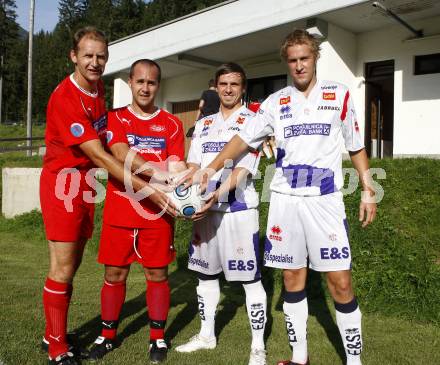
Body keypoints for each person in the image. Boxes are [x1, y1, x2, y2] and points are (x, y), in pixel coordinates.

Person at [185, 30, 376, 365]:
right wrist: (210, 167)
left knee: (340, 283)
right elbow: (243, 140)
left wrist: (368, 189)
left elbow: (355, 145)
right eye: (292, 60)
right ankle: (299, 358)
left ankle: (354, 361)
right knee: (291, 278)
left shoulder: (339, 94)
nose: (299, 65)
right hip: (285, 201)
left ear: (315, 57)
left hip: (324, 201)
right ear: (287, 63)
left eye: (304, 58)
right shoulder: (275, 103)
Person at [40, 28, 174, 365]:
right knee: (62, 267)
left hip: (85, 186)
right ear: (74, 56)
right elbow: (100, 156)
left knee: (72, 264)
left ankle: (52, 333)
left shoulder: (97, 89)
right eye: (87, 55)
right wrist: (149, 190)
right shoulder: (66, 97)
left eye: (100, 56)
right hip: (63, 186)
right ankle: (57, 348)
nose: (94, 62)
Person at [87, 59, 186, 364]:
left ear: (158, 85)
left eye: (152, 82)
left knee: (157, 274)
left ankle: (157, 338)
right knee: (114, 274)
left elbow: (176, 165)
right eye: (140, 81)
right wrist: (155, 175)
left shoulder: (172, 124)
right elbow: (119, 153)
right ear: (130, 82)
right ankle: (107, 335)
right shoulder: (114, 118)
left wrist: (181, 188)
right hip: (121, 208)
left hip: (158, 213)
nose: (145, 88)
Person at [175, 63, 268, 365]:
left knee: (250, 281)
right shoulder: (203, 124)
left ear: (243, 88)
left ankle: (257, 347)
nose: (228, 89)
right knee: (205, 274)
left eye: (235, 84)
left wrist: (217, 193)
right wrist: (185, 193)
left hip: (237, 212)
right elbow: (193, 165)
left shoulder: (253, 121)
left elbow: (242, 170)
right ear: (216, 86)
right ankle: (206, 335)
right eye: (223, 84)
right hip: (204, 212)